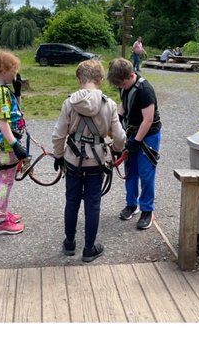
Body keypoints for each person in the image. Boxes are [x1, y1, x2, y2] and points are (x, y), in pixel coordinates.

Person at [51, 59, 127, 263]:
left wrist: (59, 156)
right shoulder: (109, 104)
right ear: (100, 79)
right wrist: (117, 151)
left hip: (73, 161)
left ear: (79, 80)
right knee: (93, 205)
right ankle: (89, 248)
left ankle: (69, 243)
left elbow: (58, 135)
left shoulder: (69, 103)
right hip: (96, 162)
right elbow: (119, 137)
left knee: (72, 202)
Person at [107, 57, 161, 231]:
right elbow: (124, 104)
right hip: (131, 133)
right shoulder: (125, 87)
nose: (121, 87)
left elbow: (148, 119)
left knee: (146, 174)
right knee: (130, 172)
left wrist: (136, 142)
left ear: (131, 75)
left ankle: (147, 210)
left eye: (122, 84)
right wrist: (119, 118)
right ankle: (132, 204)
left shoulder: (145, 90)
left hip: (148, 136)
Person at [0, 50, 29, 235]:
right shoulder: (1, 93)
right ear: (4, 70)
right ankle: (2, 221)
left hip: (6, 140)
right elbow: (2, 121)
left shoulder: (1, 90)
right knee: (6, 180)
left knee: (3, 177)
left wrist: (18, 93)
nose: (15, 74)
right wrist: (15, 144)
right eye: (14, 70)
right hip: (6, 142)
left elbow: (14, 111)